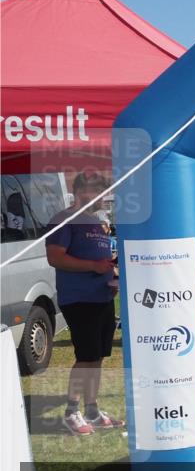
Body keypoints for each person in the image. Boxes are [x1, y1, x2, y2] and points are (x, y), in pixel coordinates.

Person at [45, 172, 123, 435]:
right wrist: (94, 265)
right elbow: (55, 258)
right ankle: (71, 411)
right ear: (82, 192)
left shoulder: (96, 222)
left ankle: (92, 410)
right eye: (99, 191)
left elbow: (100, 259)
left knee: (98, 357)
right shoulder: (64, 220)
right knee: (86, 357)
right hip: (79, 299)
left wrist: (110, 271)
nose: (104, 197)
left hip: (102, 296)